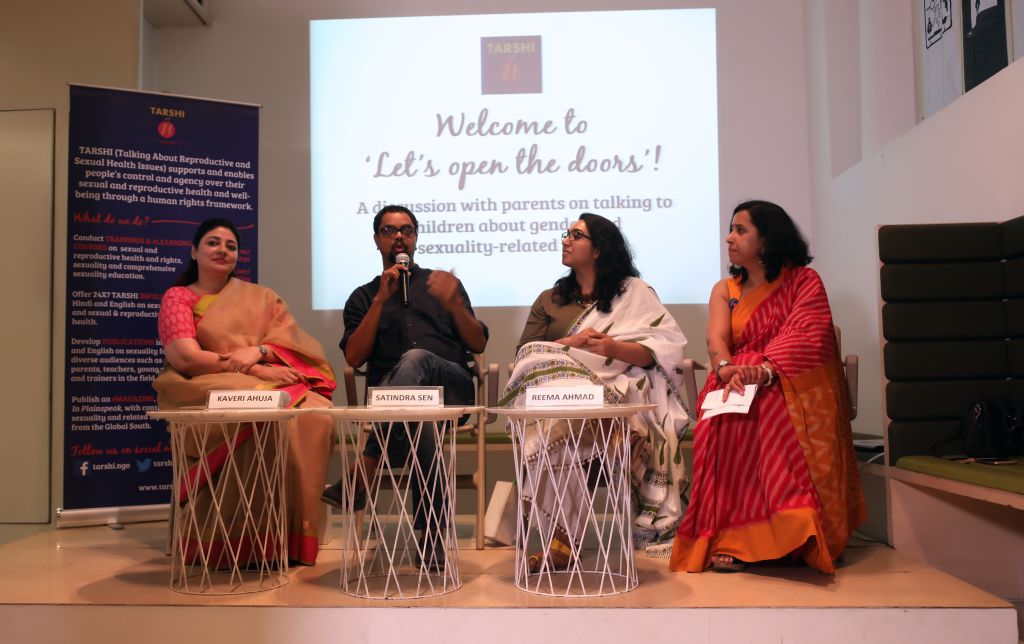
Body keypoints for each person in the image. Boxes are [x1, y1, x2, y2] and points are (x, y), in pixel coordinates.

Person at [670, 200, 865, 574]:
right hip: (733, 378)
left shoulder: (804, 282)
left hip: (784, 380)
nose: (729, 237)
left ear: (767, 238)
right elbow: (716, 340)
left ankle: (794, 528)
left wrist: (765, 369)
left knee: (769, 408)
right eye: (731, 229)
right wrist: (727, 369)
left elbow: (810, 336)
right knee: (724, 413)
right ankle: (733, 536)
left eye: (741, 230)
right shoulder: (726, 289)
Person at [499, 213, 690, 571]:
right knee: (561, 432)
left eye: (576, 235)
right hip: (561, 397)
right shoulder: (551, 299)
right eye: (566, 234)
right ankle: (562, 541)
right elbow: (527, 355)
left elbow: (662, 352)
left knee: (571, 430)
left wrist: (613, 348)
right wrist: (572, 343)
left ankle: (562, 543)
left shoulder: (634, 293)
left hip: (619, 398)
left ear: (599, 248)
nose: (565, 240)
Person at [153, 218, 336, 566]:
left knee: (315, 415)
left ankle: (292, 536)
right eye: (213, 243)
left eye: (231, 246)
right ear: (194, 251)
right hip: (202, 382)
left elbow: (290, 343)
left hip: (262, 377)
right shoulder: (179, 297)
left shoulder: (261, 297)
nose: (222, 250)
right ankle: (238, 540)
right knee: (263, 404)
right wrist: (253, 368)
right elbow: (186, 358)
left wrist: (260, 351)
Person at [321, 204, 488, 567]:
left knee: (417, 359)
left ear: (416, 238)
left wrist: (454, 305)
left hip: (451, 387)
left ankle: (368, 461)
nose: (399, 237)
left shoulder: (442, 285)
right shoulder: (363, 296)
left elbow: (477, 343)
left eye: (407, 230)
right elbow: (354, 357)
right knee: (421, 421)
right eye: (389, 230)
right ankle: (431, 541)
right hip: (396, 401)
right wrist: (381, 300)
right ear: (376, 240)